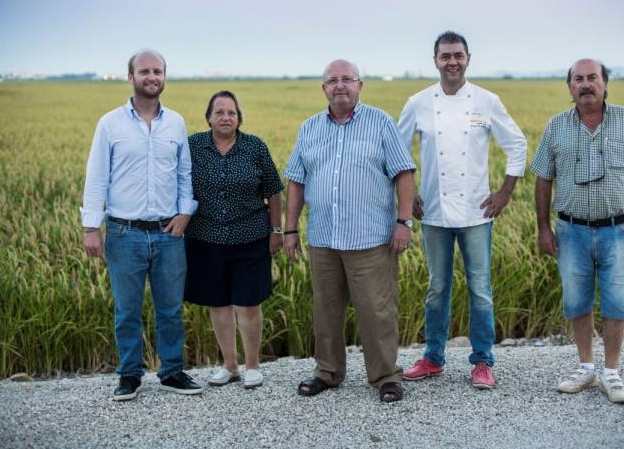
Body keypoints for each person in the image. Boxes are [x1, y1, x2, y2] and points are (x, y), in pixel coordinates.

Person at [398, 31, 527, 388]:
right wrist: (408, 198)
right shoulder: (419, 102)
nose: (452, 62)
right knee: (437, 288)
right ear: (435, 60)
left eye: (458, 55)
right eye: (445, 56)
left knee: (480, 290)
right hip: (435, 215)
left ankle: (483, 361)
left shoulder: (487, 101)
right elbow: (395, 151)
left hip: (476, 214)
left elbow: (517, 144)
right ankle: (433, 357)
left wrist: (505, 191)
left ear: (468, 58)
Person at [283, 59, 416, 403]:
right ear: (323, 88)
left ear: (360, 85)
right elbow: (296, 180)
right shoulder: (310, 127)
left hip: (370, 239)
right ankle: (327, 373)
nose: (340, 85)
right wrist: (289, 230)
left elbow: (403, 173)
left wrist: (404, 222)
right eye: (333, 80)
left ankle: (386, 376)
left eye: (347, 79)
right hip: (324, 238)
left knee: (377, 311)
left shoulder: (381, 123)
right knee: (326, 310)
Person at [531, 58, 624, 403]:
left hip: (618, 230)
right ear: (570, 86)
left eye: (592, 78)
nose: (585, 84)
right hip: (571, 230)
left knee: (618, 301)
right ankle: (586, 367)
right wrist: (543, 227)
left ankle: (612, 372)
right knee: (576, 300)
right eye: (578, 79)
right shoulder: (556, 126)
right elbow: (543, 178)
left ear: (605, 83)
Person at [81, 49, 202, 401]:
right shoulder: (110, 123)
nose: (152, 76)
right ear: (130, 77)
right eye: (144, 71)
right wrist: (92, 226)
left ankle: (172, 372)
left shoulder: (176, 123)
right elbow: (96, 177)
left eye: (158, 71)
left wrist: (185, 213)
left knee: (170, 309)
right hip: (124, 233)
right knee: (127, 310)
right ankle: (129, 375)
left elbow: (184, 174)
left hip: (168, 234)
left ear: (164, 76)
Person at [184, 90, 284, 389]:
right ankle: (230, 366)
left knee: (249, 304)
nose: (225, 117)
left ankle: (252, 365)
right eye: (219, 112)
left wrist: (276, 231)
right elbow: (178, 185)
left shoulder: (254, 147)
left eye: (231, 112)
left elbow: (274, 190)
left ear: (239, 117)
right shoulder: (193, 146)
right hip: (205, 238)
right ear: (209, 117)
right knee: (218, 304)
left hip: (250, 237)